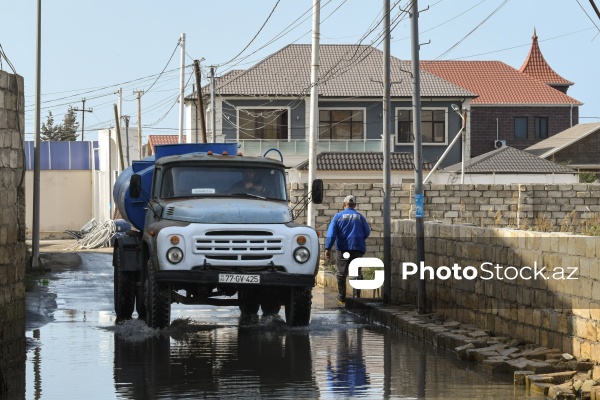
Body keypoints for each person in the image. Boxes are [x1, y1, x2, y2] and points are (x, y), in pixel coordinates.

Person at [324, 194, 371, 304]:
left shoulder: (338, 217)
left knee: (341, 273)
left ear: (344, 204)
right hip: (357, 248)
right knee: (357, 273)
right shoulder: (360, 217)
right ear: (354, 205)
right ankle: (356, 298)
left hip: (343, 248)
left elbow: (332, 234)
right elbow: (367, 232)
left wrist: (328, 248)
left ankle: (342, 297)